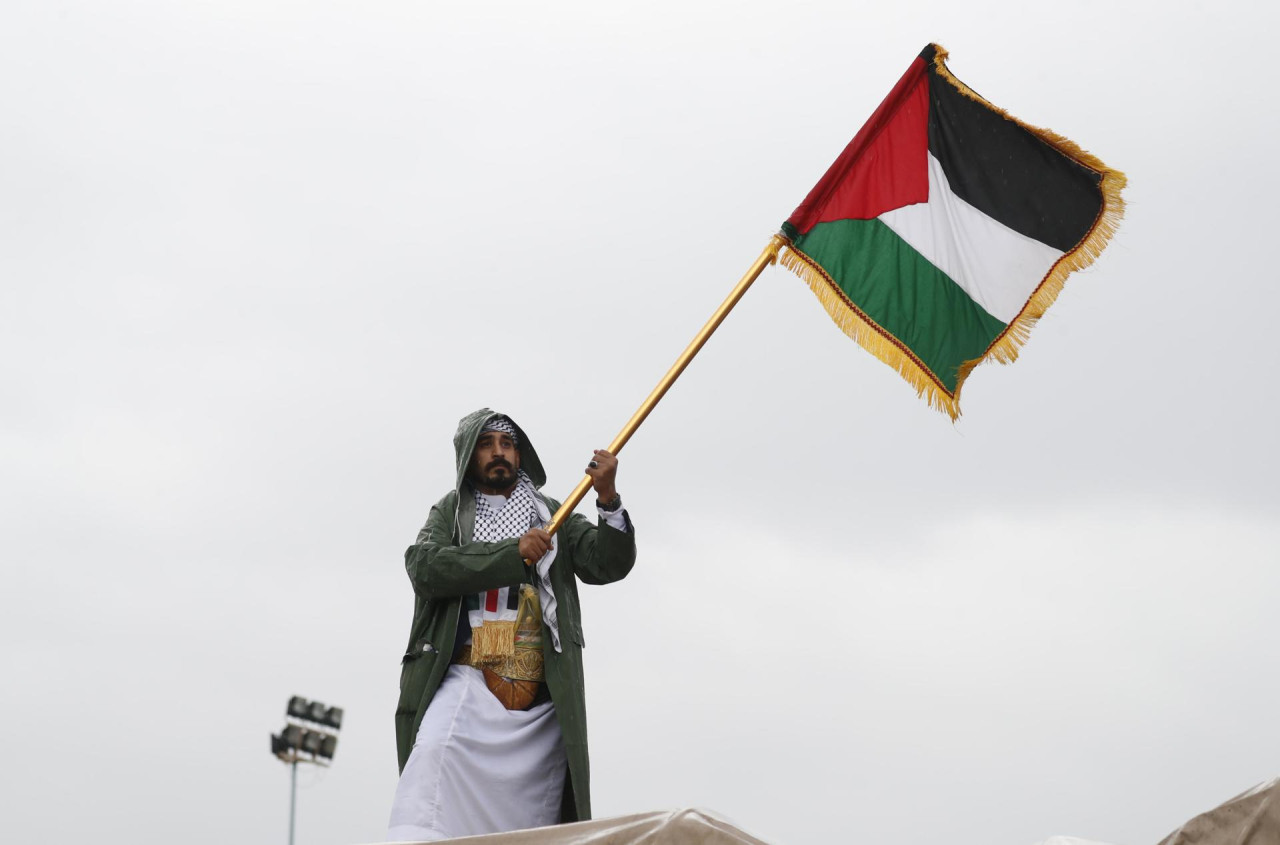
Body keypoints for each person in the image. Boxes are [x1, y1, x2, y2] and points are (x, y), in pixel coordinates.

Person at [388, 408, 636, 841]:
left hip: (538, 699)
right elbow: (424, 567)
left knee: (538, 820)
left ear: (520, 455)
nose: (498, 453)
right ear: (469, 456)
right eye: (486, 445)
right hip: (469, 680)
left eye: (507, 444)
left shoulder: (553, 513)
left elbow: (607, 563)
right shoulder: (451, 512)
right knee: (431, 760)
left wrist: (608, 498)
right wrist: (512, 553)